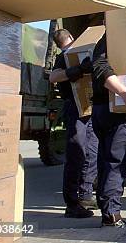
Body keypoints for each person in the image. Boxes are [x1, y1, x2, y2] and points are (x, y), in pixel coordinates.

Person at [91, 33, 126, 227]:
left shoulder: (118, 41)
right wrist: (123, 92)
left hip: (109, 109)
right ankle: (112, 215)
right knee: (116, 163)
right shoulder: (111, 39)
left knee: (107, 161)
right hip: (114, 110)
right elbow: (100, 67)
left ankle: (108, 210)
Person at [48, 29, 98, 219]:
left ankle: (85, 195)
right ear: (70, 39)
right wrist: (75, 71)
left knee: (92, 151)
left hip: (88, 108)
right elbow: (54, 77)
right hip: (75, 108)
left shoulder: (85, 54)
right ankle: (72, 203)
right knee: (77, 153)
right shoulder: (65, 57)